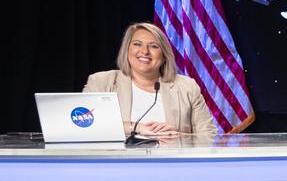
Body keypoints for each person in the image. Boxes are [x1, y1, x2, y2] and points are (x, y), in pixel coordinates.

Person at [83, 22, 217, 137]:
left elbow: (209, 136)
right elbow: (84, 125)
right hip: (119, 164)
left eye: (154, 46)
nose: (145, 51)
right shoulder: (101, 82)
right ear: (127, 50)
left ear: (164, 55)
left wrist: (176, 136)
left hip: (172, 164)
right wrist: (136, 127)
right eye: (137, 44)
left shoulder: (187, 86)